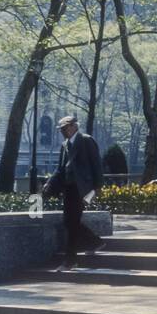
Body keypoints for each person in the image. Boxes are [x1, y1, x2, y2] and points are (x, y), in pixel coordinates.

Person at [42, 114, 104, 268]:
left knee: (72, 222)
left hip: (84, 189)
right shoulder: (64, 145)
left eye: (65, 128)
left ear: (74, 126)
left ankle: (71, 260)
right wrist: (50, 182)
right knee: (69, 221)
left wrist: (97, 188)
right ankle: (94, 241)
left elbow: (96, 165)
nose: (63, 131)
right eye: (61, 129)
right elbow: (60, 169)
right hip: (69, 188)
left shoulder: (86, 140)